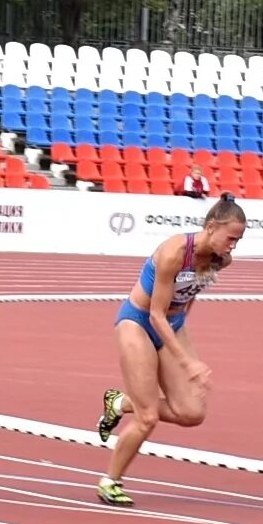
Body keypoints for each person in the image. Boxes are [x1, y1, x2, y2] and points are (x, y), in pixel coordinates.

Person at [92, 196, 247, 507]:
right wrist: (187, 361)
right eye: (231, 238)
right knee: (148, 417)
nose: (233, 247)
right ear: (210, 227)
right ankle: (110, 481)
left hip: (172, 323)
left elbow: (190, 294)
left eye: (239, 240)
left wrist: (182, 330)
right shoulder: (174, 252)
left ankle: (120, 403)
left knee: (192, 413)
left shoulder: (220, 259)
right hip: (138, 322)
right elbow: (155, 315)